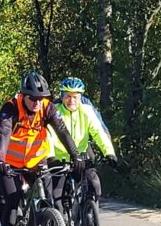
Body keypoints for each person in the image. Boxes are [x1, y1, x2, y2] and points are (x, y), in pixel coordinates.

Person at [0, 71, 80, 226]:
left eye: (41, 98)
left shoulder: (47, 107)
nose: (37, 102)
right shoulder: (11, 107)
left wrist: (76, 155)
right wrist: (0, 160)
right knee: (12, 201)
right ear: (23, 96)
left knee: (46, 199)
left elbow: (62, 131)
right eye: (33, 98)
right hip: (10, 163)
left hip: (37, 161)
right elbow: (4, 133)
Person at [48, 76, 116, 207]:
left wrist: (109, 152)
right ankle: (61, 218)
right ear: (62, 96)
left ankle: (88, 210)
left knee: (94, 185)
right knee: (57, 198)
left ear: (81, 98)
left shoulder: (87, 111)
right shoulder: (54, 111)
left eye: (75, 97)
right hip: (59, 157)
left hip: (82, 154)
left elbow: (98, 132)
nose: (71, 100)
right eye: (68, 96)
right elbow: (49, 136)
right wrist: (51, 157)